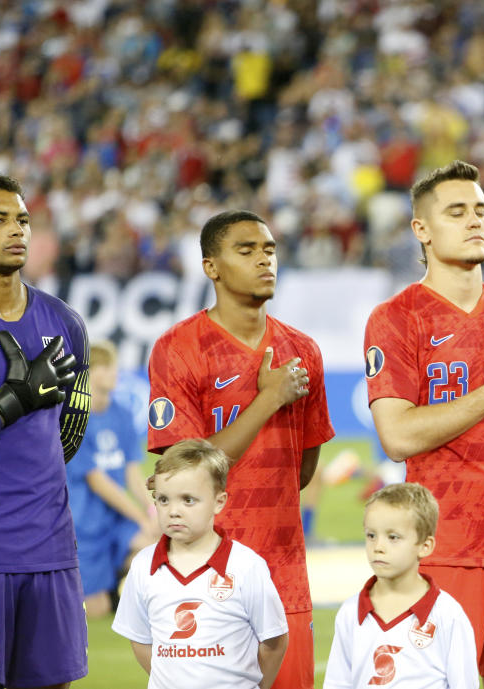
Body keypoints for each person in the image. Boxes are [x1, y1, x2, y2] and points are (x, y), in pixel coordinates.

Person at [364, 160, 484, 688]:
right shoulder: (396, 318)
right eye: (456, 212)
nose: (475, 221)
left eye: (481, 210)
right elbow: (398, 435)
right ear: (420, 230)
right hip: (441, 545)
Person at [146, 209, 334, 689]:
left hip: (285, 571)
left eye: (269, 250)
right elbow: (183, 473)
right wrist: (269, 398)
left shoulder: (304, 350)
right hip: (204, 573)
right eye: (246, 251)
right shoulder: (178, 348)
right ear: (212, 267)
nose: (263, 260)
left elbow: (303, 467)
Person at [0, 173, 90, 689]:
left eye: (23, 220)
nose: (17, 231)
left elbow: (70, 433)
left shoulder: (65, 322)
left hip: (51, 550)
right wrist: (10, 404)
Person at [112, 439, 289, 689]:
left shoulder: (247, 566)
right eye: (163, 500)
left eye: (188, 500)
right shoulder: (142, 565)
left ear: (219, 501)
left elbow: (274, 641)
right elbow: (139, 639)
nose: (173, 511)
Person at [324, 482, 478, 688]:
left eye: (393, 537)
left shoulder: (447, 614)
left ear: (425, 546)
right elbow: (338, 683)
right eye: (371, 535)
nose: (378, 547)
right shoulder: (350, 612)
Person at [66, 340, 157, 617]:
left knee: (156, 542)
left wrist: (152, 510)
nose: (112, 372)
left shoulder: (123, 413)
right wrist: (141, 518)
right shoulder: (74, 418)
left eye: (113, 366)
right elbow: (98, 481)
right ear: (87, 374)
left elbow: (132, 472)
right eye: (104, 366)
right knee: (96, 609)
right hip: (84, 528)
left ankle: (129, 588)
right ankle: (114, 594)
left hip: (117, 520)